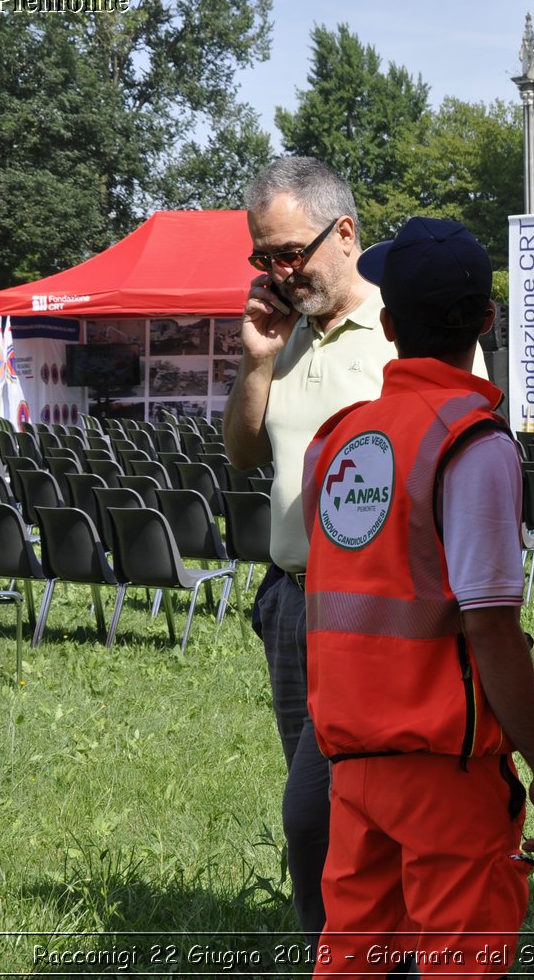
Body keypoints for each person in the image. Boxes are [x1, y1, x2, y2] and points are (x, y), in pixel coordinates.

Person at [302, 217, 534, 975]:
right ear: (487, 320)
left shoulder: (340, 439)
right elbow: (491, 626)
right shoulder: (473, 443)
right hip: (446, 766)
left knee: (351, 958)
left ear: (387, 324)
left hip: (352, 761)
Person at [222, 156, 395, 947]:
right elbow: (243, 453)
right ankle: (359, 942)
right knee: (324, 799)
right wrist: (257, 362)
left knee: (313, 813)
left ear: (347, 232)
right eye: (264, 257)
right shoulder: (281, 332)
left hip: (374, 610)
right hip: (290, 601)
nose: (279, 272)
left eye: (290, 252)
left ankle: (349, 952)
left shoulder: (405, 328)